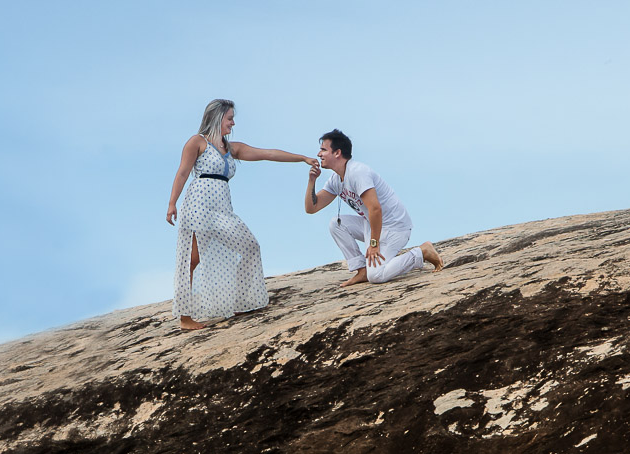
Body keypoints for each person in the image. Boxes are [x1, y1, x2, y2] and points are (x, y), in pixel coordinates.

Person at [166, 100, 318, 330]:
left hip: (222, 209)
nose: (233, 123)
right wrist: (172, 203)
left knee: (250, 246)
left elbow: (267, 154)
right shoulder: (197, 142)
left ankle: (239, 301)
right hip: (198, 204)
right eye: (229, 118)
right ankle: (185, 317)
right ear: (218, 118)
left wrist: (302, 158)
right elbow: (182, 173)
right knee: (192, 259)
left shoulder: (232, 148)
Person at [304, 129, 443, 287]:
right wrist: (312, 180)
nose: (319, 154)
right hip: (373, 225)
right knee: (336, 224)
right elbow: (312, 208)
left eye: (323, 150)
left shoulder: (357, 172)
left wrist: (374, 244)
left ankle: (422, 252)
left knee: (376, 275)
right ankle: (361, 270)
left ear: (337, 153)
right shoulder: (335, 180)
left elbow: (375, 209)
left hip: (395, 227)